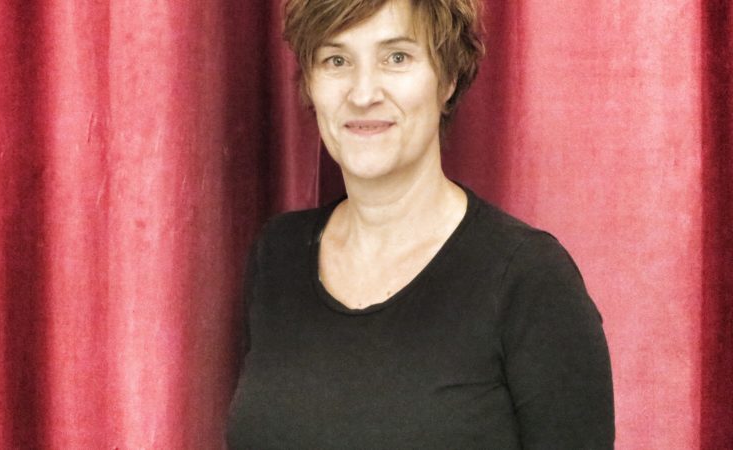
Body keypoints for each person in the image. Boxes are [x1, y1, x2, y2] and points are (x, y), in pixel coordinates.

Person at [227, 0, 614, 448]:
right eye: (336, 60)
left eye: (396, 57)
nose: (363, 94)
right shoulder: (278, 254)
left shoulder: (529, 279)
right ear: (311, 84)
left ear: (447, 79)